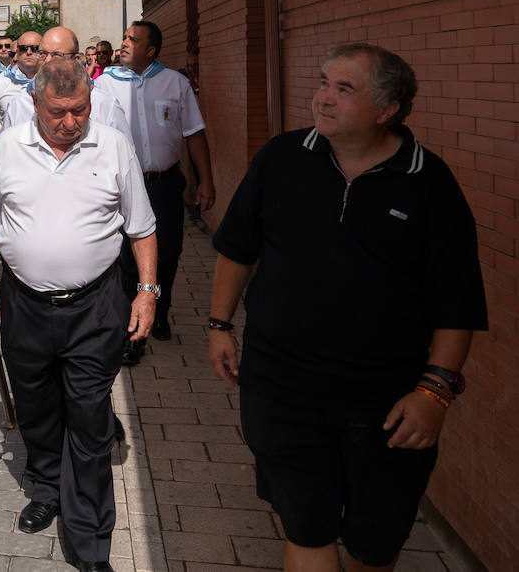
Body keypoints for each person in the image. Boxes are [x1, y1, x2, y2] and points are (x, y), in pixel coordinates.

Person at [208, 43, 487, 572]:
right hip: (281, 386)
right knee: (306, 527)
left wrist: (434, 391)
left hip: (384, 402)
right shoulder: (282, 158)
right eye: (323, 83)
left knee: (371, 545)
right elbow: (238, 249)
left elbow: (458, 300)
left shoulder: (430, 183)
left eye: (344, 89)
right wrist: (220, 325)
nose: (323, 98)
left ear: (386, 109)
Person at [0, 57, 158, 571]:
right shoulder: (7, 147)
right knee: (36, 403)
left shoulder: (113, 145)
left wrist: (146, 292)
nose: (71, 122)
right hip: (24, 303)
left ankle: (90, 538)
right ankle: (47, 485)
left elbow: (141, 228)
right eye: (59, 112)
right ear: (34, 104)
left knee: (90, 417)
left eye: (80, 110)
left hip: (95, 307)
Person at [97, 20, 213, 357]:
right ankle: (132, 329)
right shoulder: (104, 85)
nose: (124, 42)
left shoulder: (175, 83)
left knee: (169, 252)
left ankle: (159, 312)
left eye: (133, 39)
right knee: (127, 259)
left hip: (164, 185)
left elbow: (194, 133)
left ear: (151, 50)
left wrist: (206, 179)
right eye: (124, 37)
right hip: (123, 187)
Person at [0, 27, 134, 147]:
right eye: (43, 54)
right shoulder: (19, 105)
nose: (47, 61)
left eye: (57, 55)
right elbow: (4, 156)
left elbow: (124, 157)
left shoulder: (105, 105)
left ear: (76, 59)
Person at [0, 30, 42, 138]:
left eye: (35, 48)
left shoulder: (55, 81)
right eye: (23, 48)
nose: (29, 52)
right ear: (17, 52)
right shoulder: (0, 83)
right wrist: (10, 138)